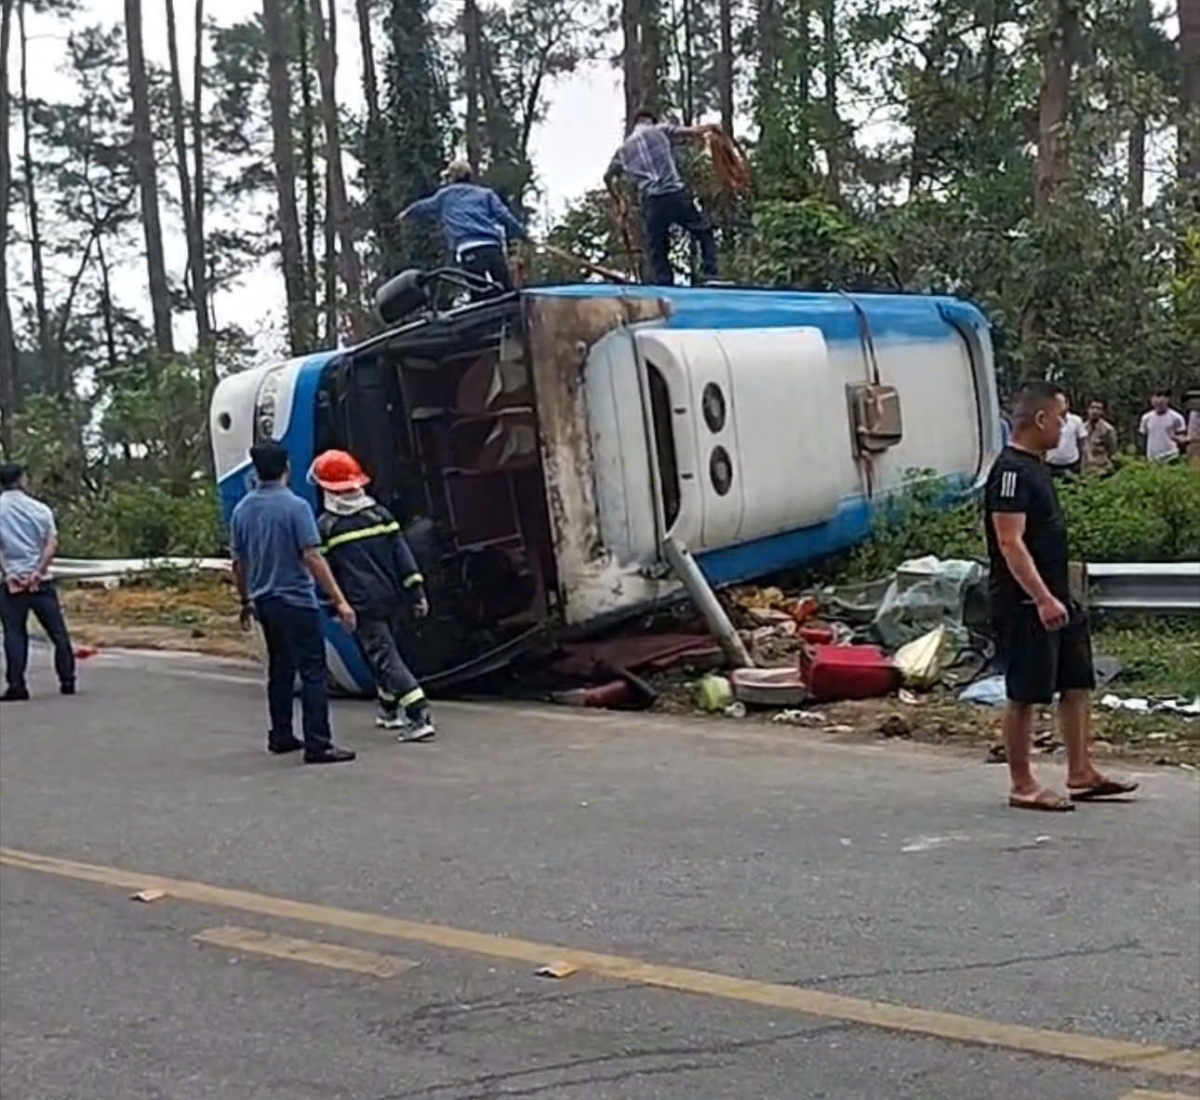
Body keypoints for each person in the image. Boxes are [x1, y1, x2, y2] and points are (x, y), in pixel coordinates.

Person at [984, 380, 1137, 812]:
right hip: (1027, 601)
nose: (1065, 424)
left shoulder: (1039, 466)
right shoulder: (1011, 471)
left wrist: (1060, 596)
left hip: (1058, 594)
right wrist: (1042, 597)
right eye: (1061, 415)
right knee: (1027, 691)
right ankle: (1022, 782)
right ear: (1040, 419)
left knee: (1076, 680)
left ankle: (1081, 771)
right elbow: (1010, 542)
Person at [230, 442, 357, 765]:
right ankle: (319, 742)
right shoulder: (296, 507)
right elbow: (312, 556)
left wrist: (245, 599)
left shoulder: (242, 510)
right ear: (286, 467)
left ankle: (281, 734)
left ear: (256, 471)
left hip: (265, 602)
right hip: (297, 600)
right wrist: (339, 600)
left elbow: (239, 562)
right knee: (313, 670)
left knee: (280, 668)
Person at [310, 450, 436, 743]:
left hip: (361, 604)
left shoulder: (326, 527)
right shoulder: (380, 515)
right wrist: (416, 590)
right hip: (393, 597)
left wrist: (332, 605)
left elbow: (326, 573)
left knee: (384, 656)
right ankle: (390, 709)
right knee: (382, 652)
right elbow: (402, 554)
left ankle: (418, 714)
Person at [604, 109, 720, 287]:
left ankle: (665, 286)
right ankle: (710, 274)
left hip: (652, 202)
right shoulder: (659, 130)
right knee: (703, 232)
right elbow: (691, 131)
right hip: (675, 194)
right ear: (650, 120)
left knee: (657, 249)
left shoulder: (623, 150)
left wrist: (619, 200)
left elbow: (607, 177)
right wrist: (711, 127)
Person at [0, 463, 75, 702]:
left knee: (14, 633)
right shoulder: (40, 509)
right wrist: (37, 572)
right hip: (41, 582)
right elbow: (50, 545)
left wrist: (10, 572)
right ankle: (67, 680)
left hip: (12, 582)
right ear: (22, 480)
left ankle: (16, 684)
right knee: (57, 633)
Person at [399, 162, 526, 293]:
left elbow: (423, 206)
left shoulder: (445, 196)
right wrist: (520, 233)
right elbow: (504, 215)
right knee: (508, 291)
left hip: (469, 250)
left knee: (479, 294)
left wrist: (406, 214)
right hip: (492, 248)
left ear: (452, 178)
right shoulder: (486, 194)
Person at [1138, 388, 1187, 463]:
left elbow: (1182, 437)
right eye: (1156, 397)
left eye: (1163, 397)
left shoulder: (1177, 418)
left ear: (1168, 399)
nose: (1159, 400)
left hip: (1171, 456)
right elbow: (1143, 437)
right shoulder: (1146, 418)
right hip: (1152, 458)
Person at [1043, 392, 1086, 477]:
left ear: (1067, 404)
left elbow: (1082, 442)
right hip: (1051, 465)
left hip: (1072, 464)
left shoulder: (1076, 420)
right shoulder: (1046, 420)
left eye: (1061, 403)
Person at [1080, 399, 1118, 477]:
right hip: (1086, 470)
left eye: (1098, 409)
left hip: (1102, 470)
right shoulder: (1082, 428)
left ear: (1102, 412)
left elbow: (1112, 450)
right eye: (1092, 408)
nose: (1095, 411)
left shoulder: (1108, 429)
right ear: (1088, 410)